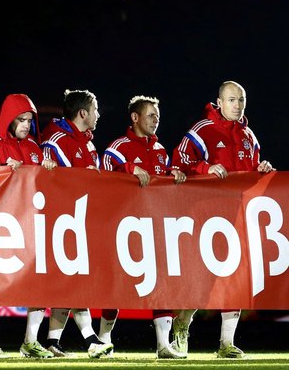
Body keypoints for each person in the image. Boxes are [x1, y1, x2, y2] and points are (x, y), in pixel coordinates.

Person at [170, 81, 274, 359]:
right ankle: (182, 325)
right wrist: (205, 167)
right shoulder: (202, 130)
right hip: (206, 217)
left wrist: (262, 169)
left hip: (238, 217)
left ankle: (226, 343)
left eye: (241, 100)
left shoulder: (249, 136)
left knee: (236, 280)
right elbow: (177, 164)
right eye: (232, 100)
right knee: (202, 280)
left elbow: (251, 174)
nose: (238, 105)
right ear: (219, 101)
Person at [102, 95, 187, 359]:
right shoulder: (118, 147)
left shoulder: (161, 149)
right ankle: (104, 340)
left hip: (155, 227)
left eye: (157, 116)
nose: (156, 120)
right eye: (151, 115)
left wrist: (175, 173)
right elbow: (102, 172)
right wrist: (129, 168)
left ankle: (163, 344)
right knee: (115, 286)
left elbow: (164, 178)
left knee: (163, 283)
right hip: (122, 226)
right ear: (135, 117)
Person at [0, 93, 57, 359]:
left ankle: (30, 342)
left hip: (29, 225)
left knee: (40, 281)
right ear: (8, 120)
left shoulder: (35, 147)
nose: (25, 125)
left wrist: (46, 168)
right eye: (20, 119)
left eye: (29, 120)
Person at [40, 89, 114, 359]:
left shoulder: (88, 143)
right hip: (60, 222)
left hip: (81, 222)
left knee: (69, 281)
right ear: (83, 113)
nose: (98, 114)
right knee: (71, 280)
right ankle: (91, 339)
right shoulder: (57, 140)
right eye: (95, 109)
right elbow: (54, 183)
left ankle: (51, 340)